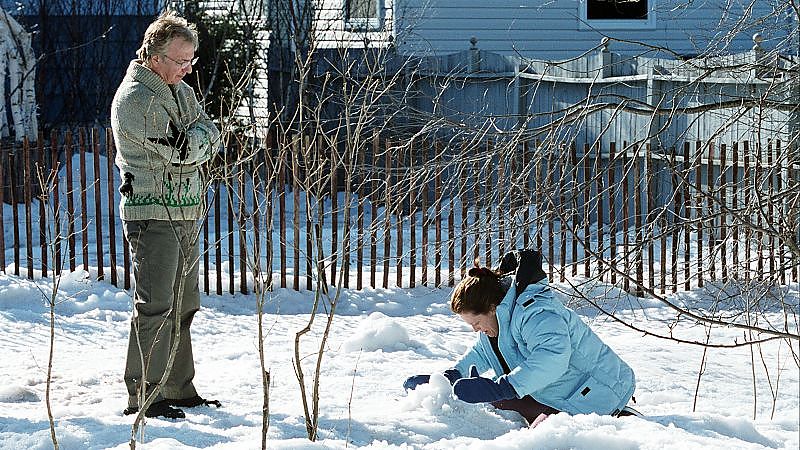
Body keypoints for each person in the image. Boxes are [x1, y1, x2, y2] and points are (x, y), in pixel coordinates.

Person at [111, 10, 221, 420]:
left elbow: (211, 134)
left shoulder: (180, 90)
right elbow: (182, 151)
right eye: (181, 60)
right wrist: (198, 141)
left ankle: (178, 386)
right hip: (152, 212)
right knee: (156, 305)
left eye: (191, 60)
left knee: (184, 303)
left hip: (186, 209)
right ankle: (145, 395)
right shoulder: (136, 99)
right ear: (155, 56)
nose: (188, 68)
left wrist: (201, 139)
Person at [404, 249, 638, 425]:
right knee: (493, 405)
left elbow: (552, 358)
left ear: (492, 307)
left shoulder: (536, 312)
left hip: (599, 393)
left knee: (543, 437)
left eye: (475, 322)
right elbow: (482, 353)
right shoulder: (500, 318)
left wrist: (504, 387)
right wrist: (451, 377)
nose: (475, 329)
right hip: (557, 394)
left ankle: (622, 417)